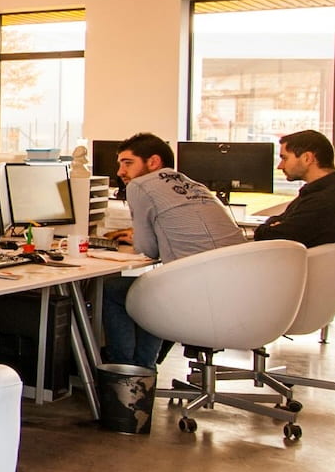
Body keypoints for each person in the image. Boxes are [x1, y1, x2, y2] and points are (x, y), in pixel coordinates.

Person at [103, 133, 246, 368]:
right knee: (153, 287)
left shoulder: (140, 185)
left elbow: (148, 250)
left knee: (116, 289)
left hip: (197, 293)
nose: (120, 172)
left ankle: (125, 370)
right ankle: (145, 369)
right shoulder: (196, 185)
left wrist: (139, 236)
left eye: (127, 163)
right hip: (237, 292)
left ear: (154, 162)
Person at [253, 129, 335, 247]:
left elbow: (274, 236)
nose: (280, 166)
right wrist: (273, 224)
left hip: (293, 263)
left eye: (284, 158)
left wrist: (264, 229)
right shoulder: (326, 192)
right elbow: (279, 223)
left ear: (307, 158)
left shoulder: (326, 200)